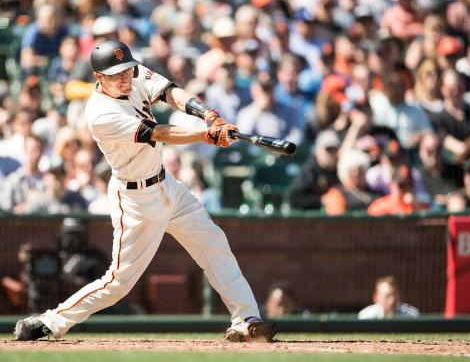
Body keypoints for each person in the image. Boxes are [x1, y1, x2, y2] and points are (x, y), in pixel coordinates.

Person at [14, 40, 276, 343]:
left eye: (127, 69)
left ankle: (246, 319)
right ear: (99, 78)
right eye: (116, 74)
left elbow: (169, 93)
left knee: (213, 241)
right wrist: (207, 135)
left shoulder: (133, 73)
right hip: (135, 199)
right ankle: (51, 321)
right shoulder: (100, 113)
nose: (125, 77)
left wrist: (208, 114)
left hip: (167, 185)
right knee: (118, 282)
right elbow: (157, 132)